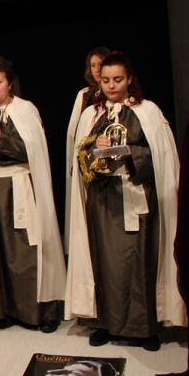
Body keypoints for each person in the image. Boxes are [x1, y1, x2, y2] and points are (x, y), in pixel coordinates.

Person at [66, 52, 186, 351]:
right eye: (105, 80)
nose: (110, 85)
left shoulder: (146, 111)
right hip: (102, 199)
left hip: (133, 194)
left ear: (129, 79)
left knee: (137, 262)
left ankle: (144, 328)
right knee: (103, 262)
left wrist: (129, 152)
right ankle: (104, 323)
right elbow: (80, 159)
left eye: (117, 79)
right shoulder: (90, 115)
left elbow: (160, 157)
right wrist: (95, 147)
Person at [0, 56, 66, 332]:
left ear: (9, 83)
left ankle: (36, 312)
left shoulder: (24, 109)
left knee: (23, 248)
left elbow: (32, 150)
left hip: (16, 184)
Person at [64, 47, 111, 253]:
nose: (97, 69)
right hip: (87, 158)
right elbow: (74, 131)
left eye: (100, 64)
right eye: (93, 65)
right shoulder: (84, 95)